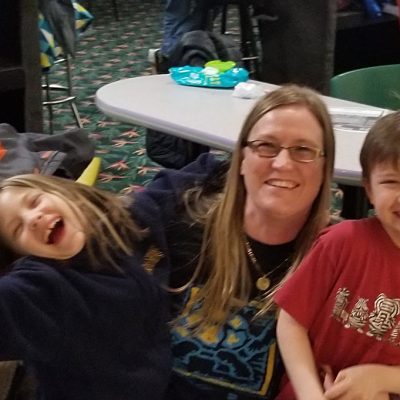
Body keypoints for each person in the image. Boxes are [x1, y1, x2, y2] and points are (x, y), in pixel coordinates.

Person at [133, 84, 336, 399]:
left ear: (325, 169)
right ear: (240, 159)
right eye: (266, 145)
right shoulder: (183, 223)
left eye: (303, 150)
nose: (283, 163)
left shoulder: (337, 259)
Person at [0, 174, 171, 400]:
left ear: (65, 193)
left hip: (158, 370)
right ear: (22, 254)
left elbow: (174, 186)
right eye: (17, 228)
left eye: (34, 202)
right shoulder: (44, 290)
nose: (33, 218)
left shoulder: (125, 220)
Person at [275, 111, 400, 400]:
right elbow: (291, 322)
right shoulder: (341, 243)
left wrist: (379, 378)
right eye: (391, 182)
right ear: (369, 189)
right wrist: (311, 394)